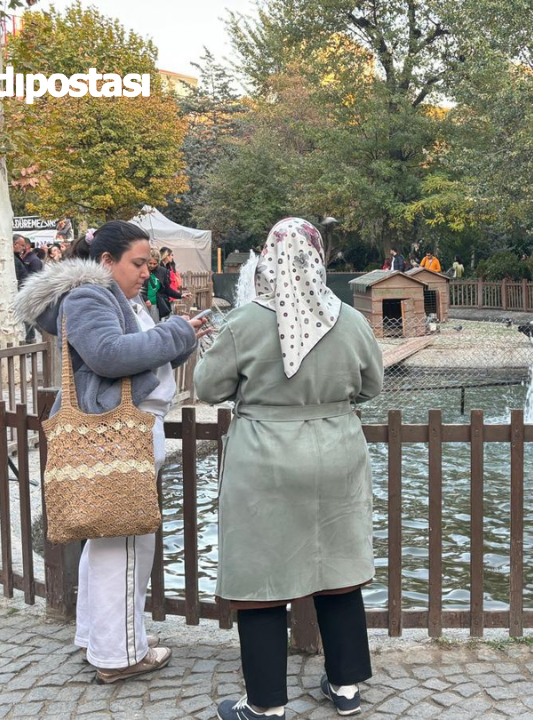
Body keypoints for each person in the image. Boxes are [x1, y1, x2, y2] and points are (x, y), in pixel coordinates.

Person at [196, 218, 383, 720]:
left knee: (260, 578)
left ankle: (265, 703)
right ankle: (345, 688)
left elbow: (208, 389)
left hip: (265, 457)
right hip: (337, 450)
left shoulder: (245, 322)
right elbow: (372, 385)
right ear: (318, 257)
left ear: (268, 257)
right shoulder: (349, 318)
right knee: (338, 569)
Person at [14, 220, 209, 684]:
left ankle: (98, 639)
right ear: (106, 262)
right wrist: (175, 334)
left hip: (129, 429)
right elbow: (107, 354)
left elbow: (135, 357)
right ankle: (119, 655)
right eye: (138, 263)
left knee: (112, 542)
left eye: (149, 264)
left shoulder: (114, 297)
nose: (147, 272)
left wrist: (181, 338)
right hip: (121, 433)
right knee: (123, 544)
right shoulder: (89, 295)